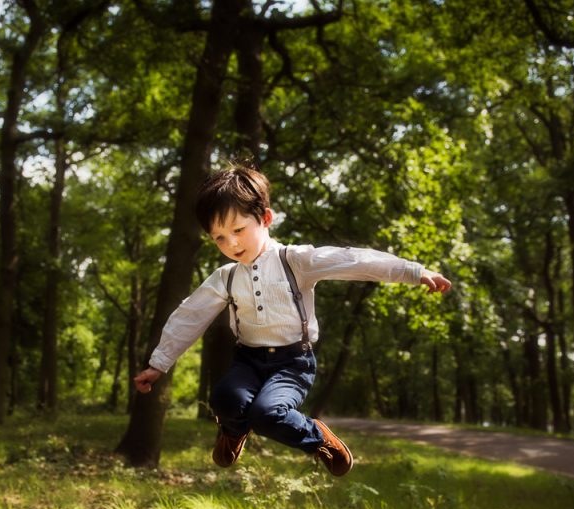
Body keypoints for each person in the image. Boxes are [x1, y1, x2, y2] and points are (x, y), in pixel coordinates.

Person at [132, 165, 451, 476]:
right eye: (219, 238)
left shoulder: (294, 261)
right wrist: (159, 363)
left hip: (292, 363)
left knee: (268, 414)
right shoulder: (225, 277)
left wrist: (414, 272)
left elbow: (353, 260)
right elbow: (190, 315)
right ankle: (233, 432)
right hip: (248, 361)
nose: (231, 244)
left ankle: (319, 439)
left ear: (265, 218)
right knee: (225, 398)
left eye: (238, 230)